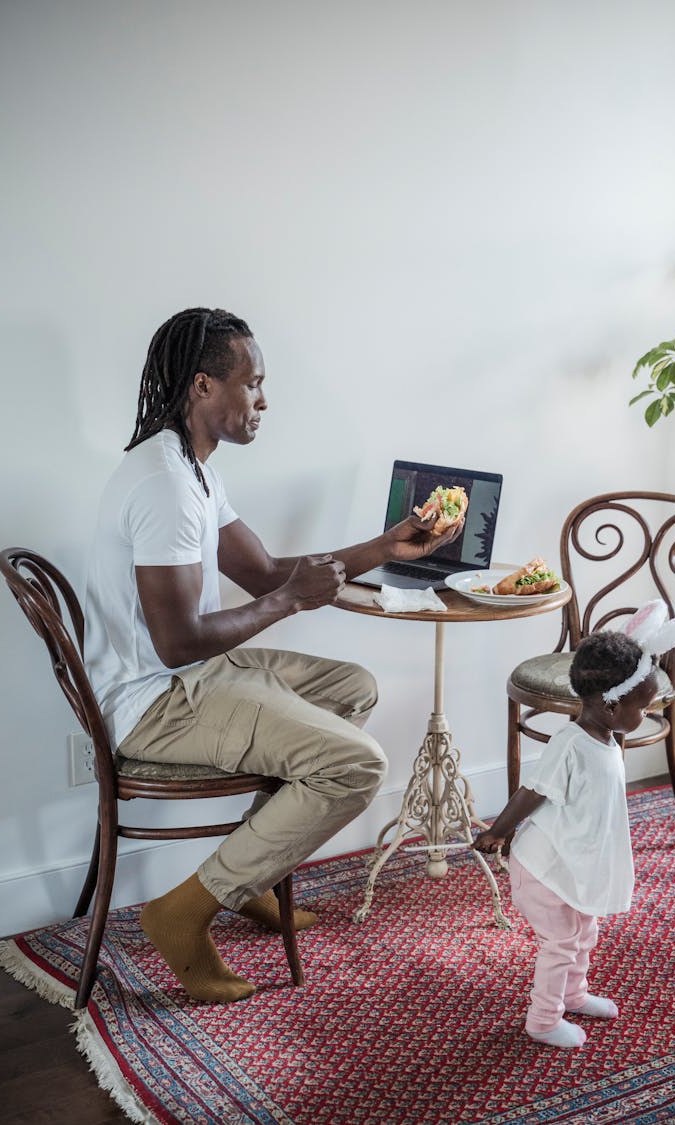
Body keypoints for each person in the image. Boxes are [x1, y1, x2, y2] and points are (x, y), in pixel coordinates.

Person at [84, 306, 463, 1004]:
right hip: (157, 703)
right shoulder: (164, 485)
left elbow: (262, 572)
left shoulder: (191, 469)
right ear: (203, 386)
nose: (264, 400)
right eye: (252, 384)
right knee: (357, 763)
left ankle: (248, 876)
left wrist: (385, 546)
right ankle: (181, 911)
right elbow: (181, 639)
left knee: (350, 687)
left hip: (186, 677)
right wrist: (294, 601)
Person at [473, 599, 675, 1049]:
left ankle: (574, 994)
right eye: (641, 707)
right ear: (610, 704)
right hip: (545, 868)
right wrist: (497, 832)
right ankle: (543, 1020)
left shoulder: (605, 737)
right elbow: (532, 792)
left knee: (586, 930)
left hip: (575, 861)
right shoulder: (570, 745)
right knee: (562, 941)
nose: (645, 714)